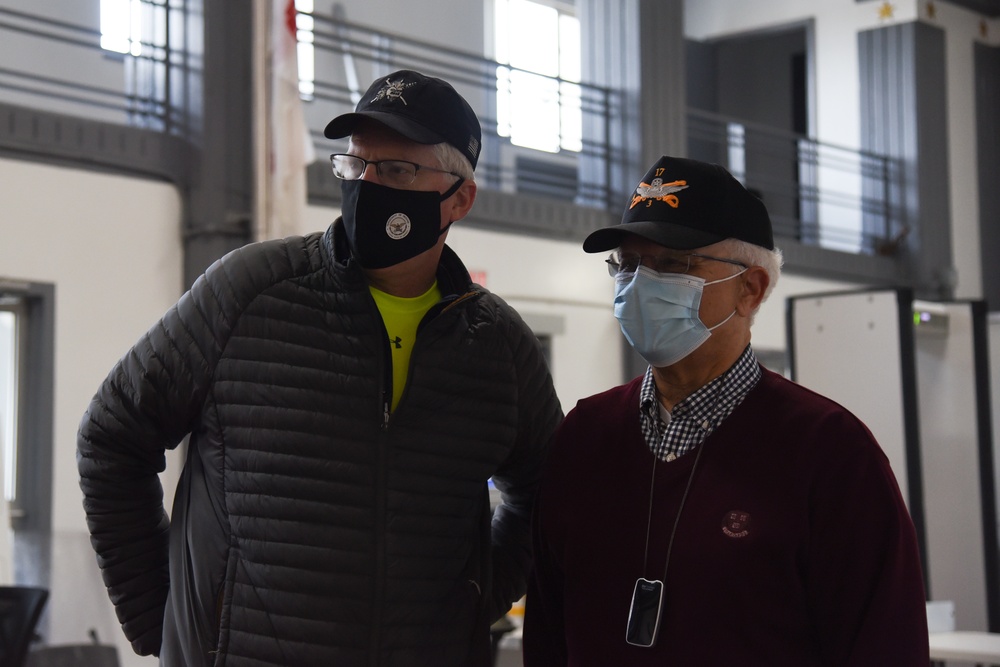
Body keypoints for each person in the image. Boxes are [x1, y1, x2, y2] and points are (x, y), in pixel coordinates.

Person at [77, 69, 562, 667]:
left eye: (397, 170)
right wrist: (162, 616)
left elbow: (548, 494)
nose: (368, 184)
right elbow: (111, 435)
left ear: (460, 197)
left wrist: (474, 595)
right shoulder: (249, 292)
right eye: (357, 166)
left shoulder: (499, 347)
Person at [522, 155, 929, 665]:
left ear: (750, 289)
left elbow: (885, 644)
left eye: (672, 264)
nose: (639, 284)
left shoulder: (830, 454)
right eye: (627, 265)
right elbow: (546, 629)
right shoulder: (585, 435)